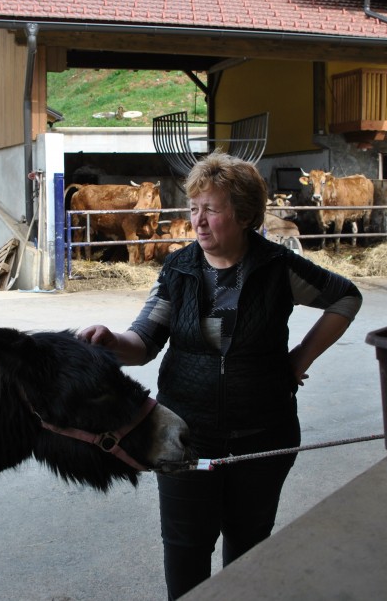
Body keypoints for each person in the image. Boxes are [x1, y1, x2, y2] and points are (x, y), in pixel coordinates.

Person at [78, 151, 362, 599]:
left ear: (246, 215)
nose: (198, 221)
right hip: (183, 438)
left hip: (264, 436)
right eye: (194, 209)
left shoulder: (277, 268)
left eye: (211, 209)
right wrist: (110, 341)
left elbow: (346, 298)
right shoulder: (179, 269)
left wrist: (300, 359)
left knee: (248, 555)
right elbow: (144, 342)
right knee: (185, 551)